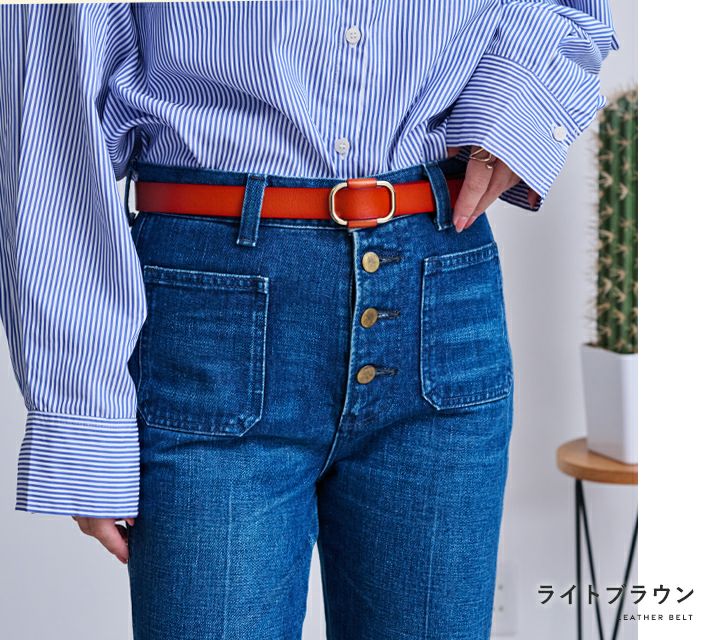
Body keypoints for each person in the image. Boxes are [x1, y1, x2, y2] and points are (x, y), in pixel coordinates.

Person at [0, 2, 617, 639]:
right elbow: (52, 123)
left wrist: (517, 113)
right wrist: (81, 416)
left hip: (438, 285)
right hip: (213, 311)